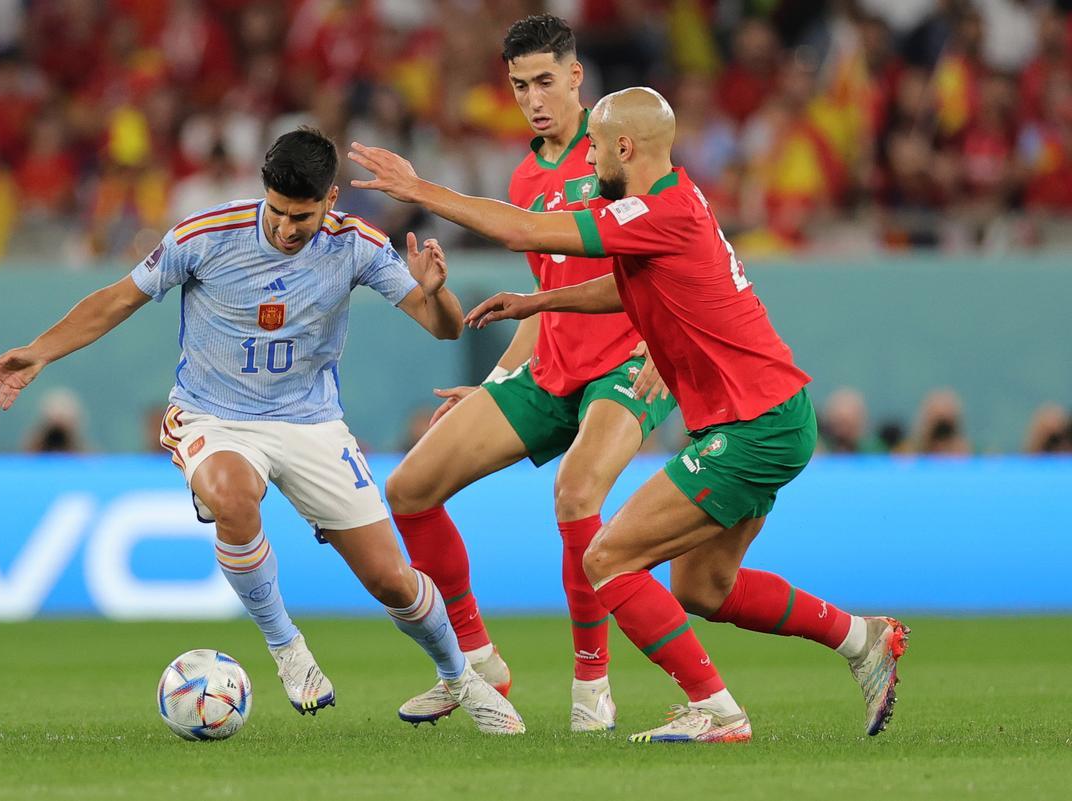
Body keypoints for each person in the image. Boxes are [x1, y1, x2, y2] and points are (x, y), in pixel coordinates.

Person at [349, 88, 909, 744]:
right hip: (770, 415)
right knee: (705, 586)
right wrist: (539, 304)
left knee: (609, 558)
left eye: (594, 146)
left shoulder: (652, 210)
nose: (586, 154)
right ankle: (862, 637)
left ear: (623, 148)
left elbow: (521, 229)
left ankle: (718, 711)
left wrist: (419, 190)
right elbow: (627, 283)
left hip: (751, 425)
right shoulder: (674, 201)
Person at [0, 126, 524, 735]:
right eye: (278, 211)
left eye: (303, 216)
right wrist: (39, 352)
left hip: (312, 423)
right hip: (214, 416)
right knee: (234, 494)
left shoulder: (358, 247)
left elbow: (444, 329)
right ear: (263, 192)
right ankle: (287, 647)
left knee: (390, 580)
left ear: (332, 199)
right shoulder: (204, 237)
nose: (288, 228)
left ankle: (460, 678)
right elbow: (116, 300)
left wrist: (438, 294)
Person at [387, 15, 676, 733]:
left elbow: (684, 249)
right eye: (519, 87)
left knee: (576, 494)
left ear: (577, 76)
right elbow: (542, 303)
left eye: (546, 81)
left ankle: (591, 684)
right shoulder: (527, 174)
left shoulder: (620, 148)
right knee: (409, 489)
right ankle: (478, 664)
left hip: (626, 364)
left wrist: (671, 348)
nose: (533, 99)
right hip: (552, 368)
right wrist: (491, 387)